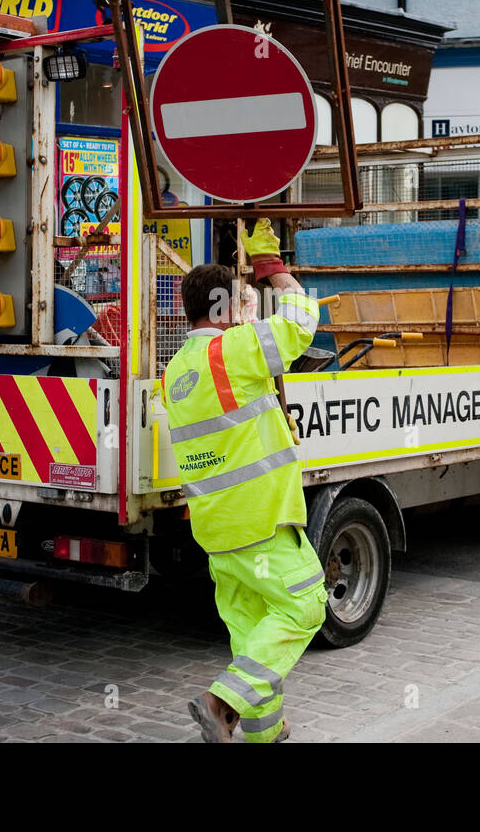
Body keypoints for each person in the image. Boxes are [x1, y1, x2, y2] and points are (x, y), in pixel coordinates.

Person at [160, 219, 325, 743]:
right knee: (305, 605)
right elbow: (301, 320)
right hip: (262, 520)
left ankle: (261, 735)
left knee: (255, 643)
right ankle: (220, 701)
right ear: (222, 311)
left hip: (218, 531)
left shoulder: (178, 366)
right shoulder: (231, 353)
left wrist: (244, 308)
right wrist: (272, 269)